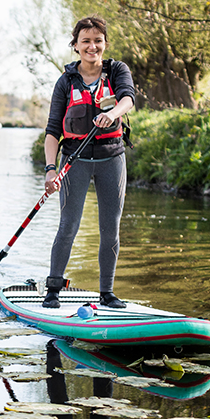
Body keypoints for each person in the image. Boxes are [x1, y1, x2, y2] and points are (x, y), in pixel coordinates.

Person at [41, 16, 136, 309]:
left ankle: (106, 293)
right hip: (75, 160)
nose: (92, 46)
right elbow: (52, 130)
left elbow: (128, 99)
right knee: (68, 225)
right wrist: (50, 169)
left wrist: (114, 112)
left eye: (98, 40)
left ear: (104, 44)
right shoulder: (66, 82)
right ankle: (53, 290)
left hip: (112, 158)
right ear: (76, 46)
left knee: (111, 227)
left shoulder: (117, 70)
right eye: (86, 41)